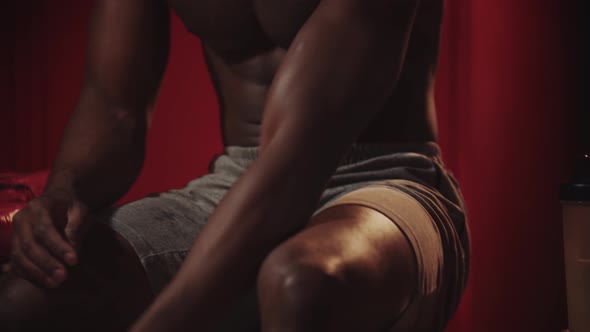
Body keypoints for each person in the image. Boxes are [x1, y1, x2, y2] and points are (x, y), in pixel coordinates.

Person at [0, 0, 469, 331]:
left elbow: (301, 153)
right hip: (238, 179)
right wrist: (65, 191)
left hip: (384, 181)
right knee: (26, 299)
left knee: (300, 284)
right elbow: (114, 106)